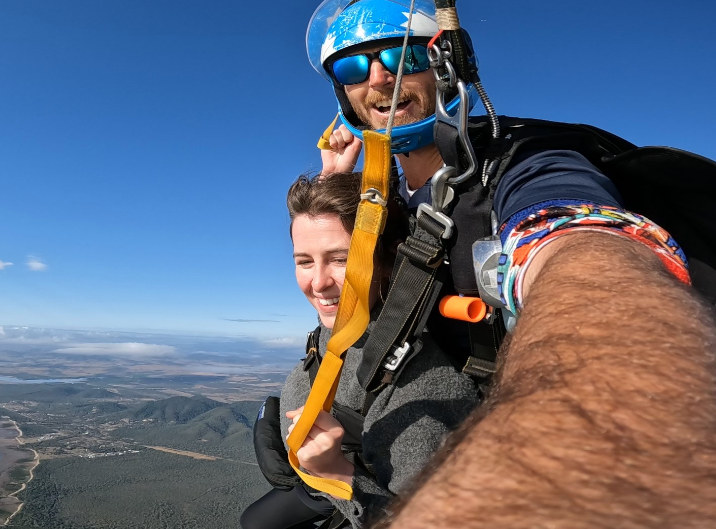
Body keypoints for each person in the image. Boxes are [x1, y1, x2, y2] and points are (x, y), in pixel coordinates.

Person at [293, 1, 716, 527]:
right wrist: (337, 179)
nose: (378, 77)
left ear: (444, 64)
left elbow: (573, 239)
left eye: (399, 56)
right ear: (343, 94)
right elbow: (342, 267)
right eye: (354, 68)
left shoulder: (523, 161)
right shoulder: (391, 195)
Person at [241, 172, 479, 529]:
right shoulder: (343, 331)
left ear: (387, 261)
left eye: (340, 259)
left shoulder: (420, 387)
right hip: (319, 489)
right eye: (304, 261)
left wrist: (335, 472)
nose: (318, 282)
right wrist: (331, 178)